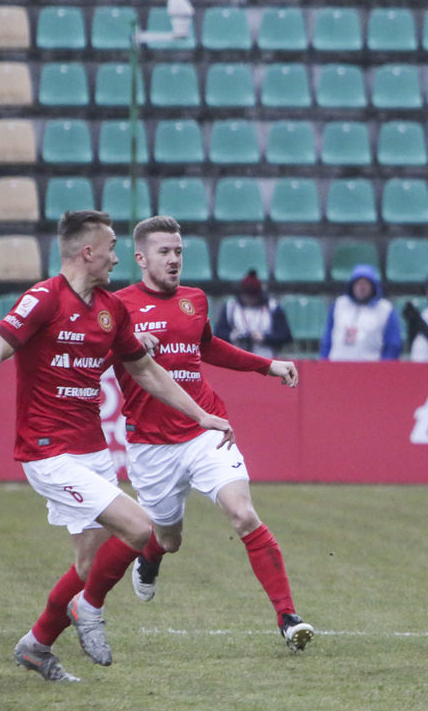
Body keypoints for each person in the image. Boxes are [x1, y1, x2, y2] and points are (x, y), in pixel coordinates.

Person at [0, 210, 234, 682]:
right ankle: (87, 609)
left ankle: (36, 645)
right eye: (110, 248)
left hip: (91, 449)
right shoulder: (43, 299)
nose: (116, 257)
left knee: (90, 563)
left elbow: (145, 369)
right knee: (142, 529)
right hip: (48, 451)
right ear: (87, 252)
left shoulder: (111, 308)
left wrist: (200, 415)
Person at [111, 215, 315, 652]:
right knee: (170, 539)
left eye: (179, 251)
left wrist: (267, 365)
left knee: (243, 514)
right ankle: (152, 556)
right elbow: (93, 350)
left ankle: (288, 617)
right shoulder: (118, 307)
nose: (174, 259)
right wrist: (128, 341)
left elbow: (207, 347)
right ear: (141, 258)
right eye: (164, 252)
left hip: (206, 428)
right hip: (151, 446)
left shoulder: (195, 300)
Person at [320, 263, 403, 361]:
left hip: (369, 366)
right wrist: (324, 361)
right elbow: (327, 339)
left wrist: (384, 367)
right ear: (352, 286)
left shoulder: (385, 309)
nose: (361, 287)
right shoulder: (339, 304)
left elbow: (393, 345)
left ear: (373, 286)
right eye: (358, 283)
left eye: (365, 284)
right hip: (337, 364)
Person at [214, 269, 292, 359]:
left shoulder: (272, 307)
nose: (250, 300)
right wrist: (232, 336)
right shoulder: (231, 307)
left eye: (253, 296)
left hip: (266, 357)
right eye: (247, 296)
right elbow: (218, 334)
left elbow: (286, 336)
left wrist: (265, 338)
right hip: (237, 358)